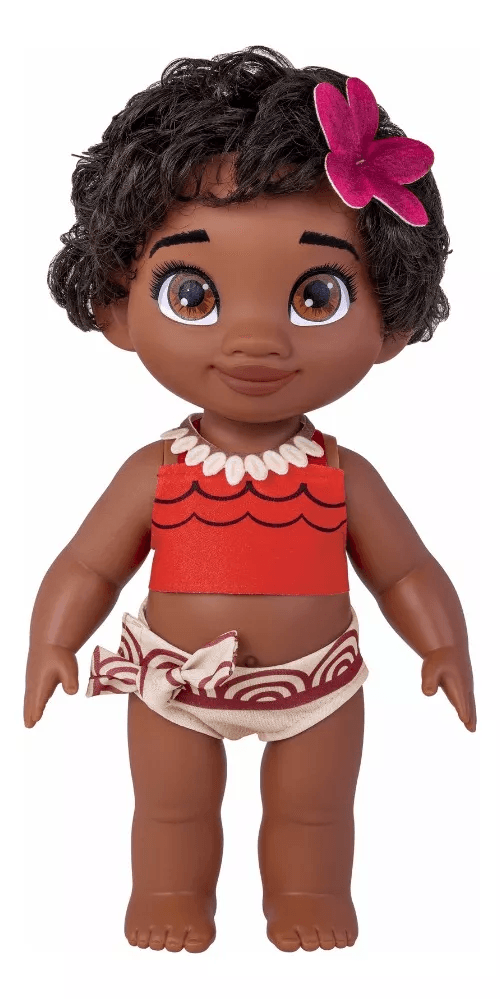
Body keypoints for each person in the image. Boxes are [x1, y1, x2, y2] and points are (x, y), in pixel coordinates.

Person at [24, 45, 476, 953]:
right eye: (193, 294)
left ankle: (307, 895)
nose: (256, 339)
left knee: (316, 812)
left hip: (318, 686)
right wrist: (52, 638)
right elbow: (88, 563)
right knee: (171, 809)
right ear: (117, 305)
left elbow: (404, 569)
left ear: (389, 321)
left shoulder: (342, 475)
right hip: (175, 684)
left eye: (318, 295)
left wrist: (443, 642)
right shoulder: (157, 470)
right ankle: (170, 893)